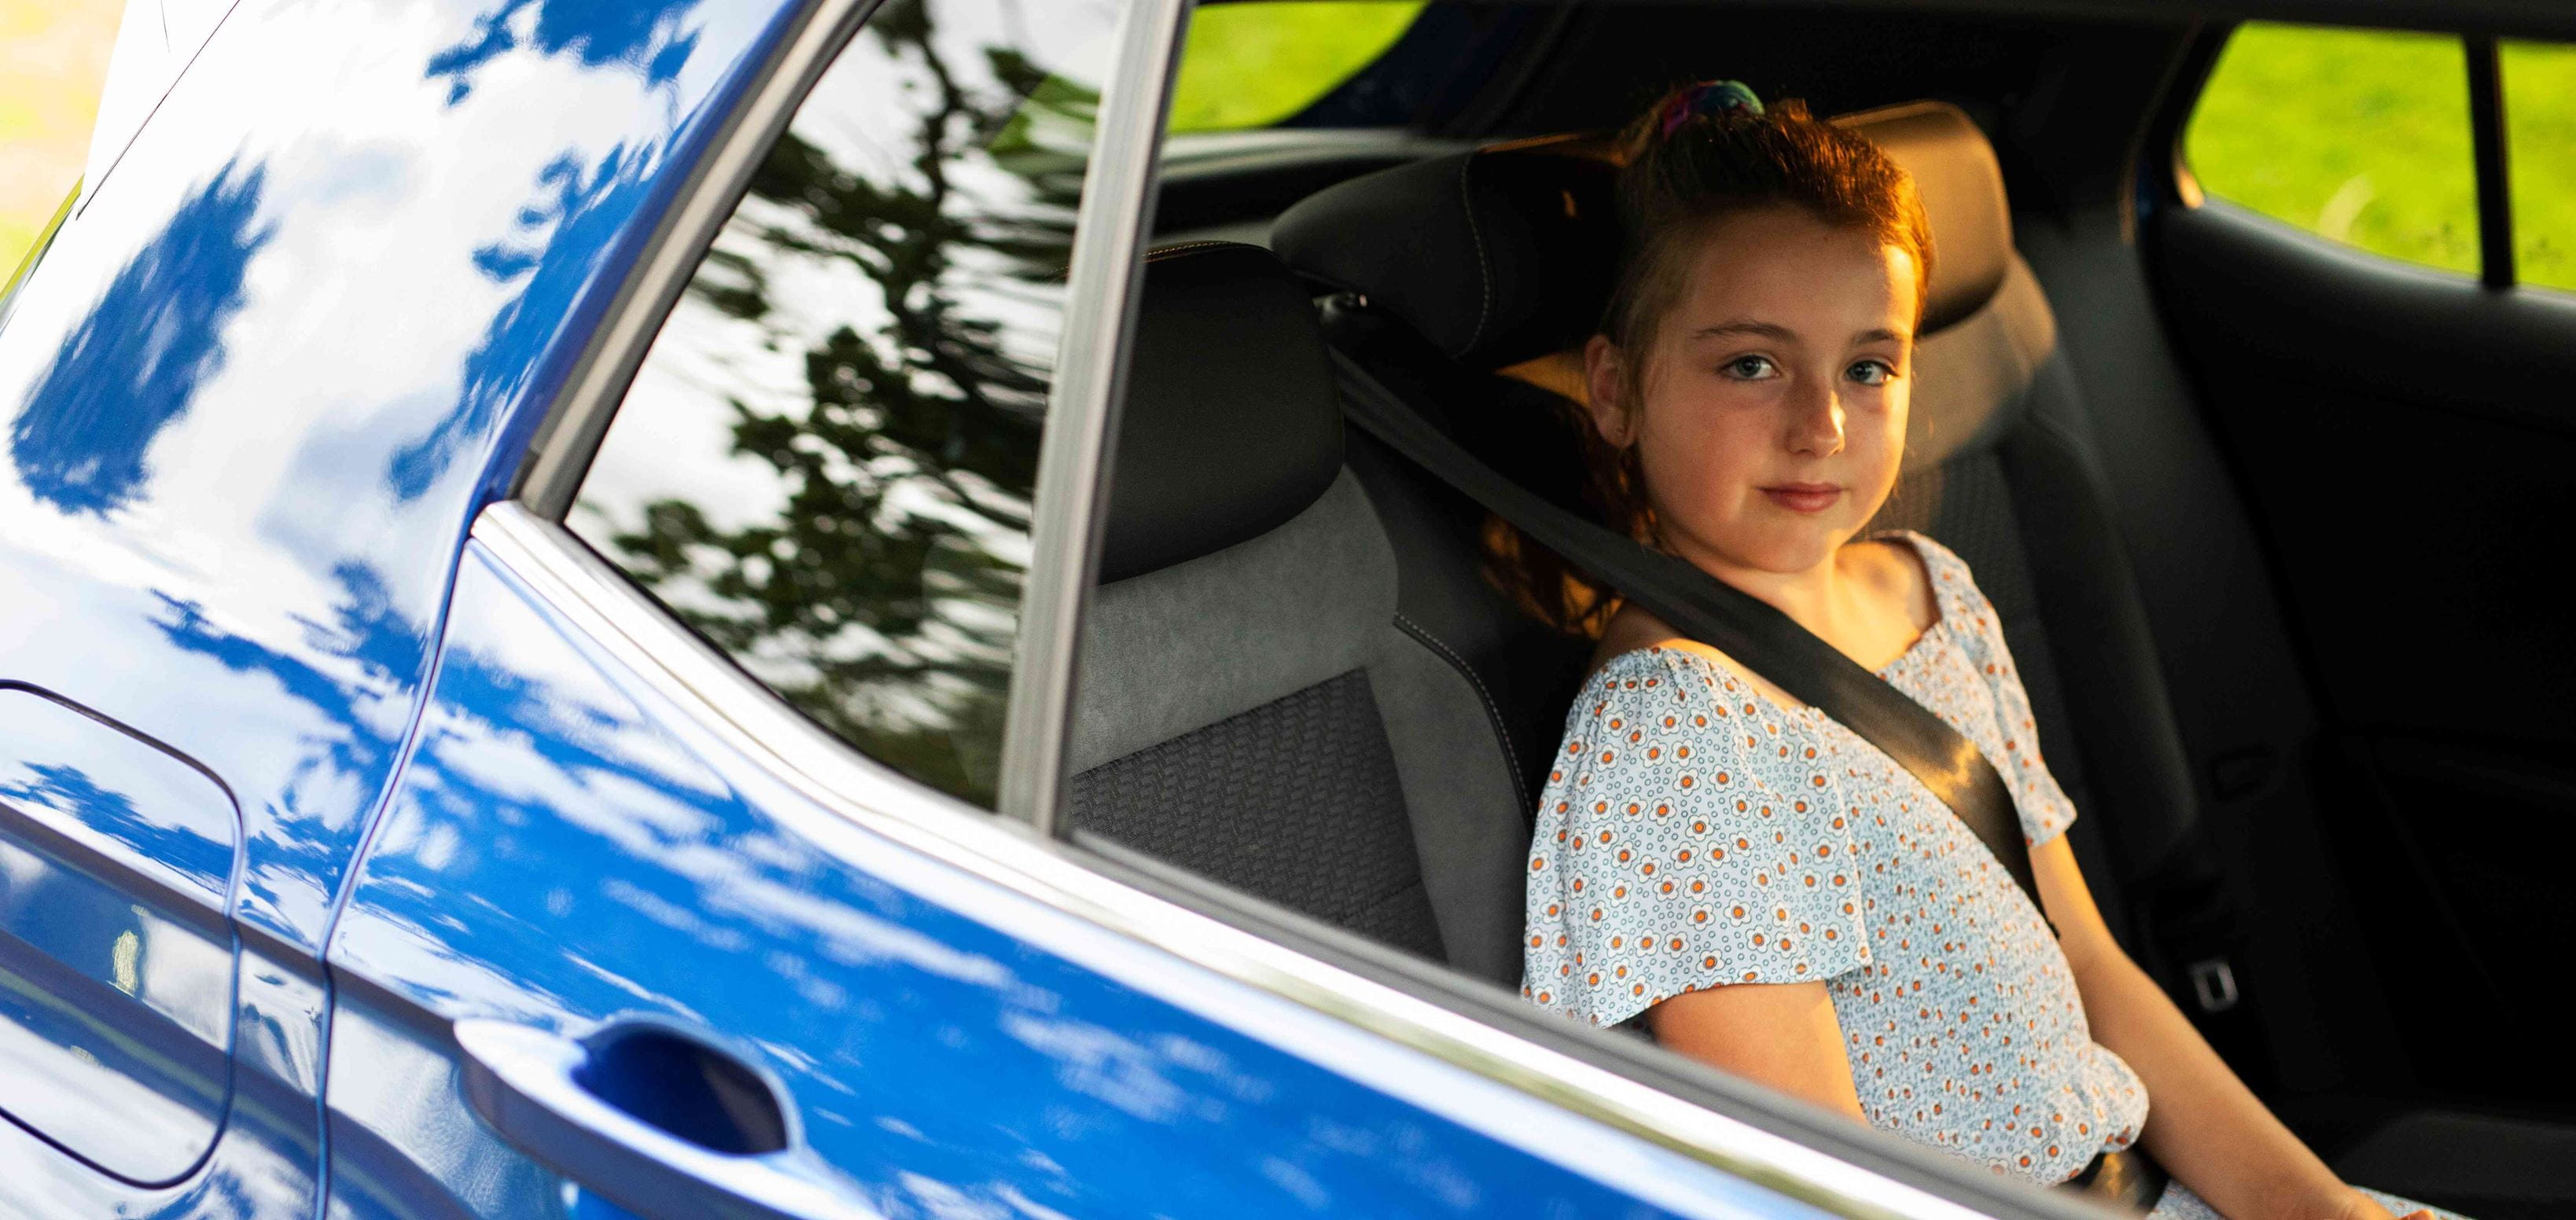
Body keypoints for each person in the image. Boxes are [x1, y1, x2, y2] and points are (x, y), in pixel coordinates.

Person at [1511, 81, 2458, 1220]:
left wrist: (2321, 1212)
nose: (1822, 426)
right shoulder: (1677, 735)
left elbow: (2094, 979)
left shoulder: (1934, 591)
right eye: (1750, 366)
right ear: (1615, 388)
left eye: (1869, 367)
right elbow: (1816, 1192)